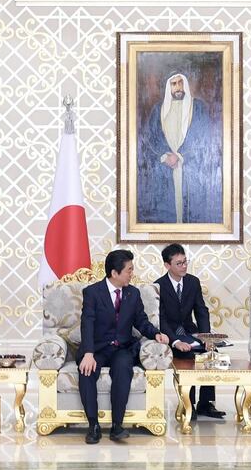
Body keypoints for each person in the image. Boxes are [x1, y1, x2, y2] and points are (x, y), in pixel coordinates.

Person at [77, 249, 170, 444]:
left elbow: (141, 322)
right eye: (129, 270)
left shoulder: (133, 293)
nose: (131, 273)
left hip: (122, 348)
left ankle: (117, 426)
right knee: (86, 371)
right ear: (114, 273)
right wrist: (88, 353)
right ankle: (93, 425)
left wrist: (156, 334)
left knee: (123, 368)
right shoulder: (93, 292)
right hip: (97, 348)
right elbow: (87, 323)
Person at [137, 72, 222, 224]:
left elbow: (203, 136)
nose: (178, 87)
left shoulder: (198, 108)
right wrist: (165, 156)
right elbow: (151, 137)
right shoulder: (158, 110)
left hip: (191, 168)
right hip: (165, 168)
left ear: (186, 85)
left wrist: (181, 155)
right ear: (169, 87)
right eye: (174, 84)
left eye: (180, 83)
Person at [156, 243, 226, 419]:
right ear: (167, 265)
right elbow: (160, 320)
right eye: (179, 263)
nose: (184, 266)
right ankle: (189, 404)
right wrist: (175, 341)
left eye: (185, 262)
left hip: (190, 331)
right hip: (171, 334)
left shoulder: (193, 282)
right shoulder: (158, 286)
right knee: (189, 357)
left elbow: (201, 311)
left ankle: (205, 403)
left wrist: (206, 337)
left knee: (211, 352)